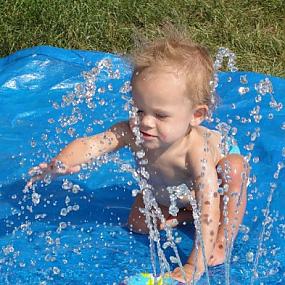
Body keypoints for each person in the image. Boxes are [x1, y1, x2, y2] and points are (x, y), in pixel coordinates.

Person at [27, 31, 248, 283]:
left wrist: (193, 266)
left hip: (213, 188)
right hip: (177, 193)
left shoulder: (196, 151)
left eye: (160, 115)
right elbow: (93, 144)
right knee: (138, 224)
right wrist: (62, 163)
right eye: (138, 109)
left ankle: (223, 240)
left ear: (196, 115)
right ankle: (185, 215)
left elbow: (208, 205)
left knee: (234, 168)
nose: (145, 122)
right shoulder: (132, 132)